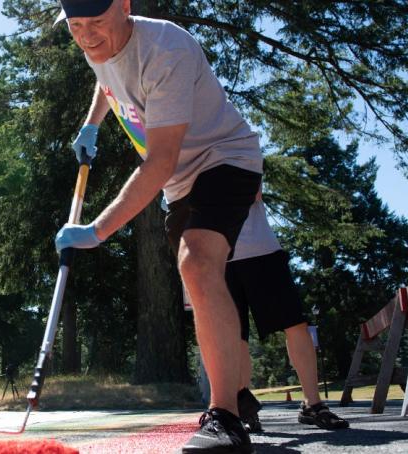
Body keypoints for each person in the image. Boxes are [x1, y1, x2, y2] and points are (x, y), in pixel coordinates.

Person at [53, 1, 264, 452]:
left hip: (225, 157)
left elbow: (161, 160)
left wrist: (97, 230)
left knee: (197, 261)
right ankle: (237, 392)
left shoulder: (165, 50)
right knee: (200, 277)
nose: (87, 36)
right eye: (76, 25)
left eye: (97, 22)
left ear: (125, 6)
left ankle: (225, 419)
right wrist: (91, 125)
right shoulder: (97, 44)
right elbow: (106, 78)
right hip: (181, 183)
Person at [224, 198, 349, 432]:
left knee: (295, 323)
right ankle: (245, 410)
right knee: (234, 336)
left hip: (262, 250)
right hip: (218, 257)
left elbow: (251, 192)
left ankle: (313, 404)